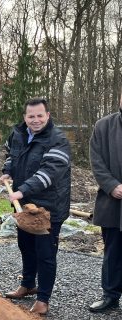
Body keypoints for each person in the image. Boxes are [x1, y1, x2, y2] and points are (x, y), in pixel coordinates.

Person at [0, 97, 71, 316]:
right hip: (23, 206)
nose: (36, 120)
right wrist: (7, 171)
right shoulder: (18, 134)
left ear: (48, 116)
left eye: (40, 115)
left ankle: (43, 299)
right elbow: (11, 155)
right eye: (31, 116)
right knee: (26, 246)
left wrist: (23, 190)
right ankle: (28, 284)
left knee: (46, 253)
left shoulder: (57, 140)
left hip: (48, 208)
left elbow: (50, 172)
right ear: (25, 117)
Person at [88, 98, 122, 313]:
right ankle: (110, 295)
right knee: (113, 252)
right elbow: (96, 160)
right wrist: (112, 185)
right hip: (113, 202)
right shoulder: (103, 126)